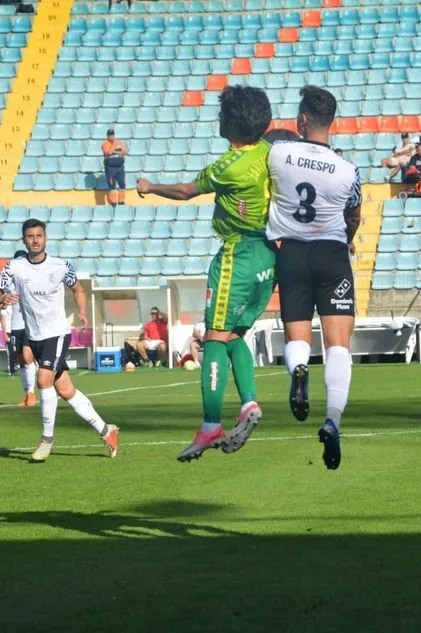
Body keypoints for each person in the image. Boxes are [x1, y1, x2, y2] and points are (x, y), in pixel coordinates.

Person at [136, 85, 275, 462]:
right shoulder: (269, 152)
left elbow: (184, 191)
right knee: (234, 335)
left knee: (213, 338)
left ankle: (211, 424)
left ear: (232, 122)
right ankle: (248, 403)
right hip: (267, 255)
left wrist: (150, 186)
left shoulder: (228, 167)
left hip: (237, 255)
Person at [267, 86, 361, 471]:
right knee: (339, 345)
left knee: (298, 338)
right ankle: (333, 419)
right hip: (331, 254)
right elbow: (353, 216)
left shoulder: (278, 153)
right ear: (331, 121)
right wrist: (345, 243)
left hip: (290, 252)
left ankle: (299, 370)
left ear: (302, 120)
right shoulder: (348, 170)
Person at [0, 219, 119, 461]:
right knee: (66, 390)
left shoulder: (61, 266)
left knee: (43, 378)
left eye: (39, 235)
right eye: (30, 236)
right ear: (24, 239)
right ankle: (106, 431)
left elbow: (78, 288)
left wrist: (82, 311)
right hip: (35, 336)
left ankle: (46, 440)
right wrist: (2, 298)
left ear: (45, 237)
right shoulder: (14, 267)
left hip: (58, 333)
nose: (35, 240)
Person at [1, 250, 37, 406]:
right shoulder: (9, 282)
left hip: (30, 324)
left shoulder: (33, 279)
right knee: (22, 360)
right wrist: (4, 301)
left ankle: (32, 394)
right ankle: (27, 394)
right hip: (16, 326)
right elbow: (2, 300)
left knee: (28, 357)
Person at [102, 128, 127, 206]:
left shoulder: (119, 142)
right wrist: (117, 149)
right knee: (112, 185)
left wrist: (115, 151)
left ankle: (121, 201)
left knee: (122, 184)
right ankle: (113, 201)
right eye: (110, 135)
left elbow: (125, 152)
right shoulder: (105, 144)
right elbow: (108, 152)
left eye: (112, 135)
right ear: (107, 136)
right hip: (110, 168)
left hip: (120, 167)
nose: (111, 137)